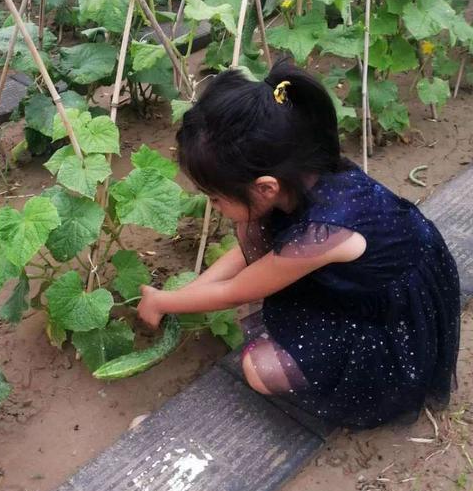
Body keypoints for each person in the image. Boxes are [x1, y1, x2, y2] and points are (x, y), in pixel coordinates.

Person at [136, 59, 461, 430]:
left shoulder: (321, 233)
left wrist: (163, 300)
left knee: (259, 368)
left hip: (393, 315)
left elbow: (236, 291)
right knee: (253, 230)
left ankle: (378, 377)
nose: (213, 206)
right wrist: (188, 293)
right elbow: (243, 259)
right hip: (371, 277)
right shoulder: (305, 172)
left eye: (215, 197)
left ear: (266, 187)